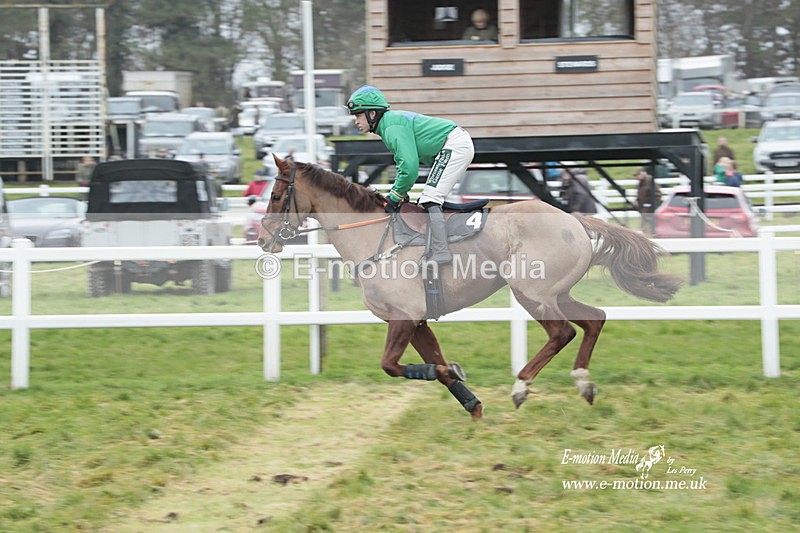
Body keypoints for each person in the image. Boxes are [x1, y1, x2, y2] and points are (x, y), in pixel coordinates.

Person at [346, 85, 475, 264]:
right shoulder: (388, 125)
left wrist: (395, 195)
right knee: (429, 198)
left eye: (358, 115)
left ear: (372, 114)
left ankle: (441, 252)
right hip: (453, 144)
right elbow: (404, 164)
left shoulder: (391, 127)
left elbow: (410, 167)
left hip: (454, 145)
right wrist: (401, 193)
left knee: (431, 198)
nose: (356, 121)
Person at [634, 167, 661, 235]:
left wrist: (651, 202)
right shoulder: (640, 183)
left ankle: (651, 233)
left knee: (649, 220)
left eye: (637, 175)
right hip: (643, 205)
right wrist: (637, 201)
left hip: (650, 205)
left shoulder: (649, 181)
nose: (636, 178)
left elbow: (657, 193)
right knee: (645, 219)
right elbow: (640, 194)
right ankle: (647, 233)